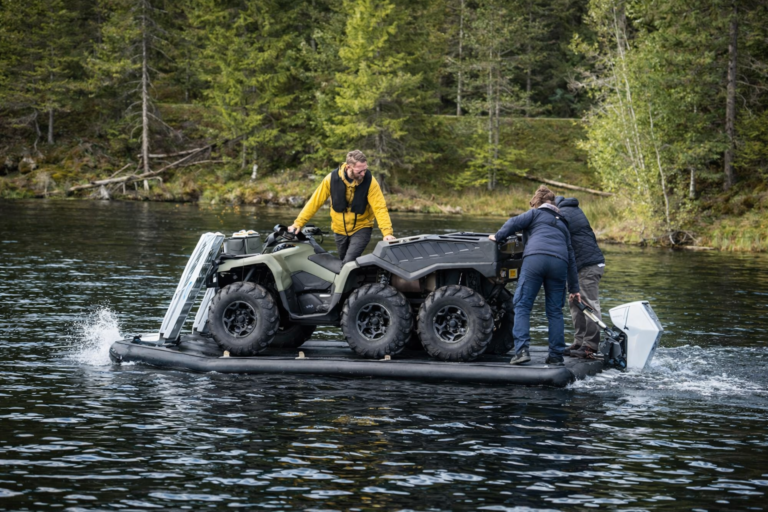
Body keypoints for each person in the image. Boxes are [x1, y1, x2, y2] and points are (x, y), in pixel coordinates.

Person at [490, 185, 581, 366]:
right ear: (554, 203)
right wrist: (574, 288)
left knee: (522, 305)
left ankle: (522, 351)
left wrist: (498, 236)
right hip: (559, 263)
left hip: (536, 259)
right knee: (555, 311)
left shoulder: (535, 214)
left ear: (537, 202)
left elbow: (513, 223)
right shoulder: (563, 223)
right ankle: (555, 355)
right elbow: (571, 256)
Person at [288, 150, 396, 263]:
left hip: (362, 227)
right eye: (360, 171)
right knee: (344, 263)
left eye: (365, 170)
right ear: (349, 167)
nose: (363, 174)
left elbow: (380, 208)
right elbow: (314, 202)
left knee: (348, 262)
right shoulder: (330, 179)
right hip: (339, 230)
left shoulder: (371, 182)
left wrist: (387, 233)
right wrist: (298, 223)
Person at [555, 195, 605, 359]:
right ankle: (580, 342)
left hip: (588, 266)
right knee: (575, 303)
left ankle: (590, 345)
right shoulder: (571, 210)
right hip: (582, 266)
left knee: (589, 304)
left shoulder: (564, 213)